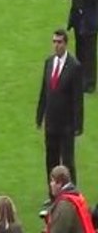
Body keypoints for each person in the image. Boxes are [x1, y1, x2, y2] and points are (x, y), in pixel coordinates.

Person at [36, 29, 84, 187]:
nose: (56, 45)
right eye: (54, 42)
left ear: (65, 44)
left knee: (68, 162)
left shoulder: (74, 66)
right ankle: (53, 195)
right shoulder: (49, 62)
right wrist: (40, 115)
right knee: (51, 160)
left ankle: (72, 194)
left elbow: (77, 98)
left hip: (66, 124)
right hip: (51, 122)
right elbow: (45, 90)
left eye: (59, 42)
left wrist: (78, 125)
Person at [66, 0, 98, 93]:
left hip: (90, 18)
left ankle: (90, 82)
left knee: (89, 51)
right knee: (79, 48)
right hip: (78, 16)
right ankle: (80, 79)